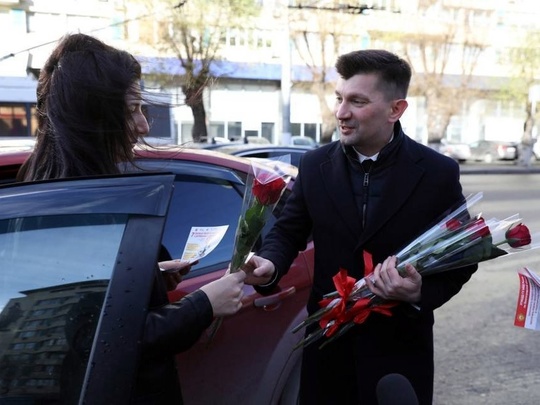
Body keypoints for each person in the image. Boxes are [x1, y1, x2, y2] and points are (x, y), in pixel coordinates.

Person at [18, 33, 246, 403]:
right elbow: (100, 339)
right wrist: (203, 304)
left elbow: (90, 296)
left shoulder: (61, 190)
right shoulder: (77, 209)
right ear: (93, 117)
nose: (143, 126)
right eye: (132, 110)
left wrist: (146, 275)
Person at [243, 49, 477, 404]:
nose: (341, 113)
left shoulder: (437, 173)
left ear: (395, 110)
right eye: (339, 99)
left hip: (399, 356)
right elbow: (287, 232)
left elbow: (463, 256)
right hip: (327, 350)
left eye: (357, 101)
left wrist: (417, 292)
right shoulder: (314, 165)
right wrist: (270, 264)